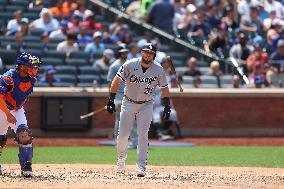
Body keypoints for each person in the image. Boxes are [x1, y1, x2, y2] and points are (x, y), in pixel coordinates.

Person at [106, 43, 171, 177]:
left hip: (146, 104)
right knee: (123, 134)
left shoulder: (158, 69)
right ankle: (121, 160)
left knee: (143, 135)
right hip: (128, 102)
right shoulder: (129, 64)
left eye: (151, 53)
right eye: (146, 52)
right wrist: (111, 100)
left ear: (154, 55)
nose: (148, 55)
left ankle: (141, 166)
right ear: (141, 52)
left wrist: (167, 105)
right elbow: (116, 81)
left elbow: (164, 88)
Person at [0, 52, 41, 177]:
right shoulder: (8, 78)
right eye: (30, 66)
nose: (34, 69)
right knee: (0, 140)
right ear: (22, 67)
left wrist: (16, 109)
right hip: (2, 110)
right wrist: (8, 114)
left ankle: (26, 166)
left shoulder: (32, 79)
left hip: (17, 110)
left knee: (24, 134)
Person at [107, 44, 138, 148]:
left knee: (133, 120)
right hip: (119, 96)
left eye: (125, 52)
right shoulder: (114, 66)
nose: (125, 54)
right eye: (123, 52)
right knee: (120, 120)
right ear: (119, 53)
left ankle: (134, 142)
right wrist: (111, 99)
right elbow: (111, 83)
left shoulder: (130, 64)